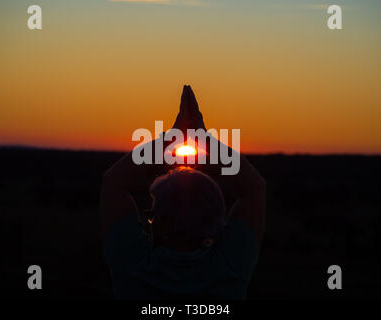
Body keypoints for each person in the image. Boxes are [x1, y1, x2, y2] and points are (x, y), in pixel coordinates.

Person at [100, 85, 266, 299]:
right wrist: (203, 137)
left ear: (165, 222)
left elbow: (113, 181)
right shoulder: (230, 266)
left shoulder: (133, 265)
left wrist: (172, 136)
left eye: (152, 215)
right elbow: (255, 187)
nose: (150, 222)